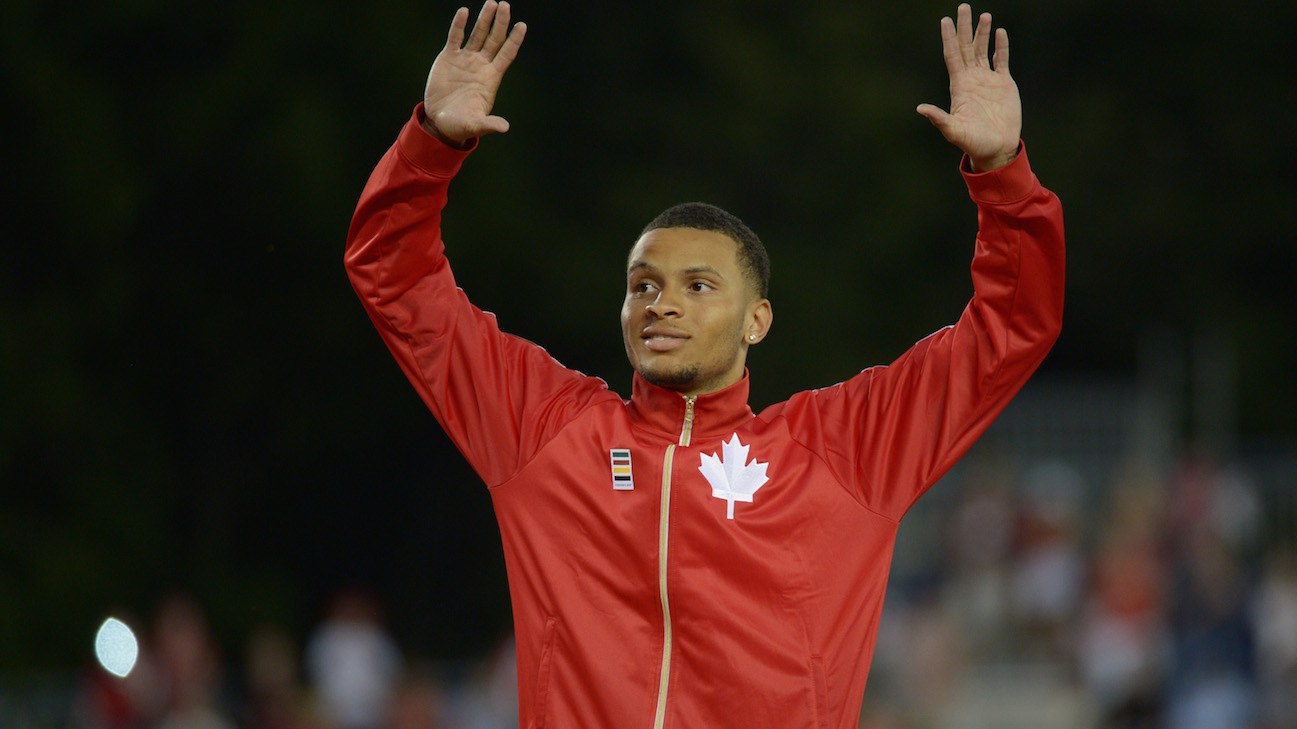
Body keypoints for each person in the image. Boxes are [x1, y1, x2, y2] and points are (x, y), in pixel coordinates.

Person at [344, 3, 1064, 727]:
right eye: (643, 286)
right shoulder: (548, 431)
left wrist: (1003, 177)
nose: (661, 305)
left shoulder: (844, 451)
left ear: (757, 320)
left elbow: (1010, 328)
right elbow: (397, 280)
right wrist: (431, 145)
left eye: (698, 286)